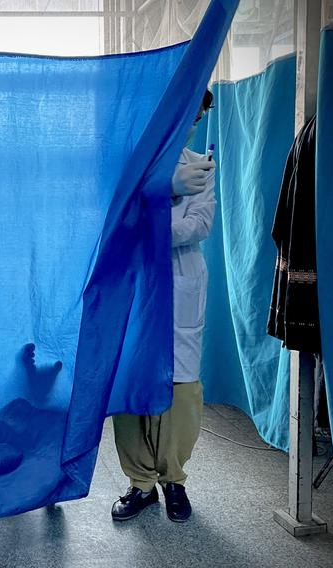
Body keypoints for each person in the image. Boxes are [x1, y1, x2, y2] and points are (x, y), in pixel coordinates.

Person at [111, 90, 216, 524]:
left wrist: (150, 215)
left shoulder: (200, 165)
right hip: (136, 284)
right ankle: (140, 485)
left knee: (183, 388)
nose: (191, 123)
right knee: (132, 381)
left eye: (199, 116)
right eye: (186, 113)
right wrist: (162, 192)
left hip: (181, 282)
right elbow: (119, 220)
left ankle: (174, 480)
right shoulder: (131, 160)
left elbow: (200, 226)